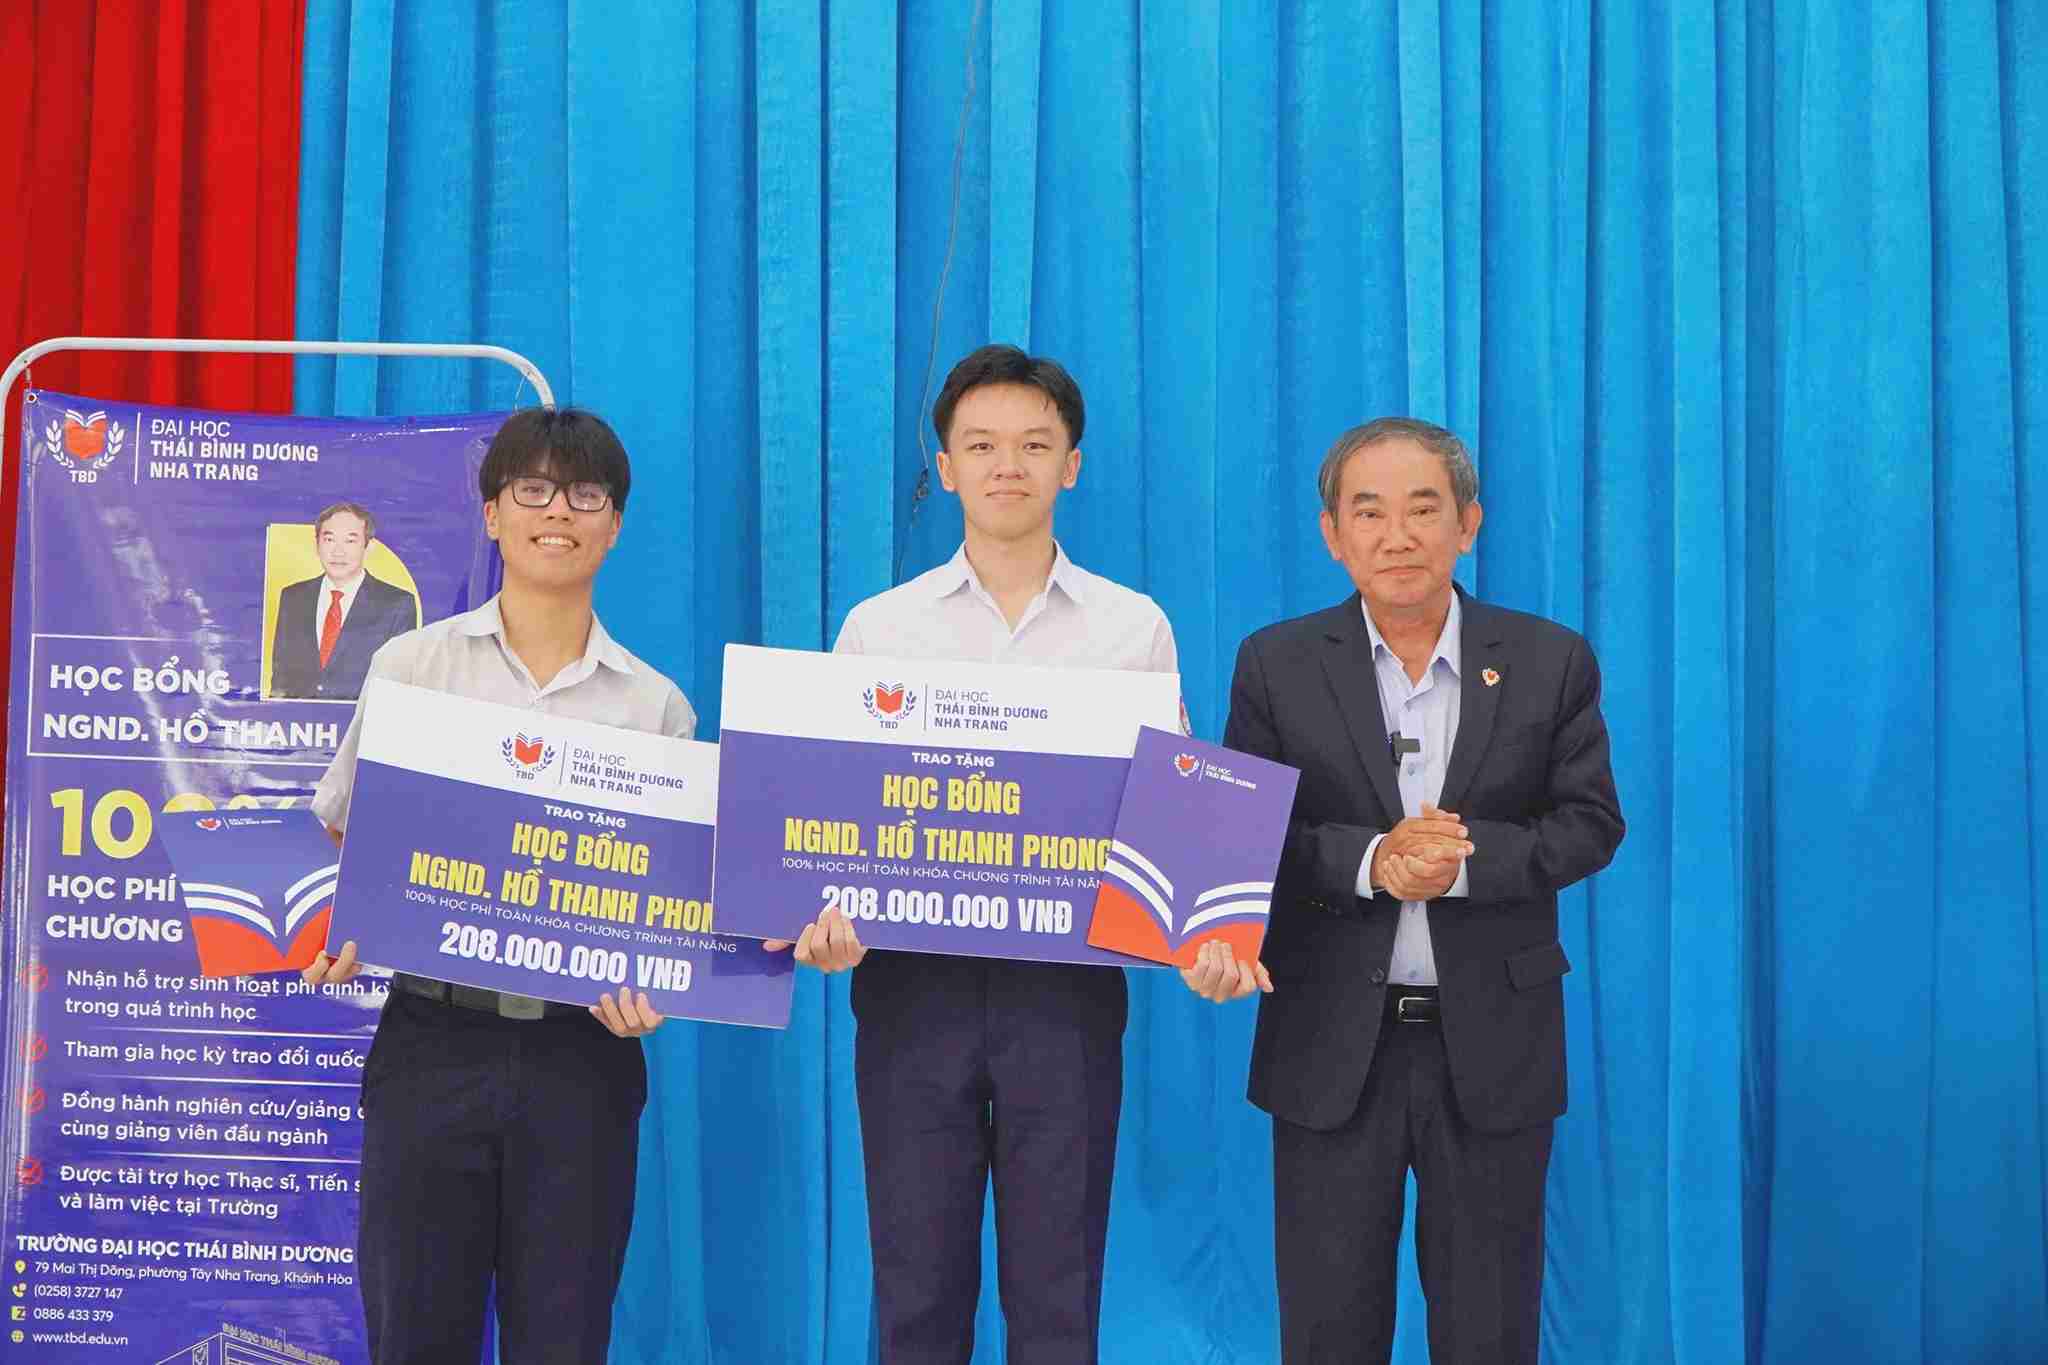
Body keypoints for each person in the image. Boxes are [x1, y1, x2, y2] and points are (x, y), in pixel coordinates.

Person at [770, 345, 1177, 1364]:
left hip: (1066, 990)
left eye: (1035, 446)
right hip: (914, 991)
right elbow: (828, 816)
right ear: (944, 467)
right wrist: (815, 919)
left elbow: (1167, 825)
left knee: (1058, 1287)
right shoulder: (879, 626)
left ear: (1070, 465)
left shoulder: (1133, 629)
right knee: (916, 1282)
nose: (1009, 466)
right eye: (982, 446)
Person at [1218, 418, 1623, 1364]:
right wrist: (1373, 861)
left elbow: (1591, 823)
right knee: (1326, 1329)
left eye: (1423, 509)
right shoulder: (1275, 663)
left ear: (1468, 524)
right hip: (1329, 1044)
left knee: (1489, 1330)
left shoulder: (1549, 658)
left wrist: (1463, 861)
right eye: (1370, 512)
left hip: (1492, 1046)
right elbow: (1247, 832)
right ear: (1333, 534)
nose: (1397, 535)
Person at [300, 408, 693, 1365]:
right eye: (534, 490)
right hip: (432, 1043)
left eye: (586, 495)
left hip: (583, 1059)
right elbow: (347, 826)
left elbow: (667, 903)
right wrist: (342, 925)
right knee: (416, 1334)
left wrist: (658, 991)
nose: (558, 512)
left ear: (615, 523)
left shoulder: (656, 706)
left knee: (563, 1338)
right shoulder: (414, 664)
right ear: (492, 515)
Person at [269, 501, 419, 699]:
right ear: (317, 544)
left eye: (350, 541)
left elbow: (398, 685)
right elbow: (281, 679)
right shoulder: (293, 597)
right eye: (329, 540)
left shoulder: (397, 604)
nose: (338, 552)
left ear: (368, 546)